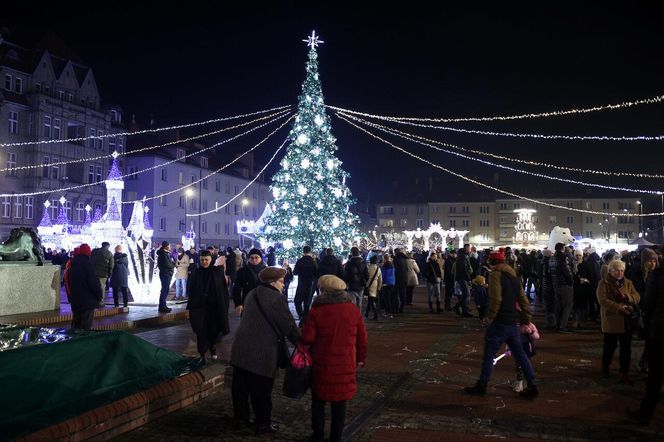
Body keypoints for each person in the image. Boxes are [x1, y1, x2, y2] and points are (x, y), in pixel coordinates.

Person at [230, 267, 300, 435]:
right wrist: (302, 343)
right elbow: (288, 326)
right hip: (262, 351)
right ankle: (263, 424)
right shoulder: (276, 298)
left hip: (241, 348)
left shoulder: (252, 293)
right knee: (261, 391)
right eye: (282, 282)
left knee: (240, 388)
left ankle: (241, 419)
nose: (284, 285)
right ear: (272, 282)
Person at [300, 275, 368, 442]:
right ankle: (335, 437)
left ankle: (318, 435)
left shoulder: (316, 311)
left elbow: (307, 338)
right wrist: (361, 358)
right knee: (340, 403)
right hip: (346, 361)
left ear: (323, 290)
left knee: (318, 400)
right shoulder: (352, 310)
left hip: (322, 361)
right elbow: (362, 338)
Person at [464, 250, 538, 399]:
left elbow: (496, 299)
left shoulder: (495, 275)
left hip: (500, 323)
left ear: (491, 263)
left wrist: (489, 317)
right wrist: (525, 319)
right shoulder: (514, 277)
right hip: (513, 323)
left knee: (489, 355)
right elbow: (524, 301)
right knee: (521, 355)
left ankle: (482, 385)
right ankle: (532, 386)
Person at [627, 254, 664, 425]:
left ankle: (646, 412)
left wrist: (646, 325)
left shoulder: (657, 276)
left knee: (655, 374)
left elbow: (648, 304)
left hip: (659, 331)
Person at [596, 258, 640, 384]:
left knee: (626, 348)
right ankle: (605, 366)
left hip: (626, 320)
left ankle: (624, 372)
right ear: (610, 271)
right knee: (610, 346)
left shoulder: (628, 282)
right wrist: (619, 307)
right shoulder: (603, 283)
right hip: (612, 319)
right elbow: (602, 300)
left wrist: (628, 297)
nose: (620, 273)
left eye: (622, 270)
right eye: (616, 271)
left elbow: (637, 296)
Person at [187, 250, 230, 364]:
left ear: (211, 260)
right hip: (200, 308)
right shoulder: (197, 273)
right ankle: (202, 354)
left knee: (213, 330)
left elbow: (223, 290)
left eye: (206, 259)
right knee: (201, 332)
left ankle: (213, 350)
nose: (204, 262)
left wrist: (224, 306)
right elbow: (191, 290)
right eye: (202, 260)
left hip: (214, 308)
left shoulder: (217, 272)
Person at [68, 244, 103, 330]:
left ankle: (73, 341)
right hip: (87, 302)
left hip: (75, 300)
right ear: (88, 253)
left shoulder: (72, 265)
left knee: (76, 325)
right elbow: (94, 284)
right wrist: (99, 296)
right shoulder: (88, 266)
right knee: (85, 327)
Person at [232, 248, 267, 316]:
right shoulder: (242, 271)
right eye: (252, 258)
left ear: (261, 258)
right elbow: (236, 288)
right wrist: (238, 304)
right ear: (249, 258)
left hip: (263, 303)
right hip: (247, 303)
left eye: (256, 257)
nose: (254, 260)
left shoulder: (267, 271)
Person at [549, 242, 574, 333]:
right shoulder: (563, 258)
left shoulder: (551, 258)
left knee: (558, 305)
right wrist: (571, 282)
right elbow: (567, 272)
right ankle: (562, 326)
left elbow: (550, 271)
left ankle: (557, 324)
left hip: (555, 284)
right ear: (562, 248)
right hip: (564, 284)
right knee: (567, 305)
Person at [293, 245, 318, 321]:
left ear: (303, 251)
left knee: (297, 301)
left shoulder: (300, 261)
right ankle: (306, 319)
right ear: (310, 252)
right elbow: (317, 273)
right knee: (307, 303)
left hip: (301, 284)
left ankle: (301, 316)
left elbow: (295, 272)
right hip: (310, 284)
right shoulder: (313, 262)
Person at [90, 241, 114, 306]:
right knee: (102, 287)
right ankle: (101, 302)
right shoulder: (109, 253)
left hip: (93, 273)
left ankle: (93, 301)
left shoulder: (94, 251)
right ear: (107, 246)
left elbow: (90, 260)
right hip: (103, 274)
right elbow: (111, 265)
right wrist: (110, 274)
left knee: (94, 287)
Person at [454, 244, 474, 317]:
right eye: (468, 248)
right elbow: (464, 269)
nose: (469, 250)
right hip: (462, 278)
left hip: (461, 277)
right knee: (466, 294)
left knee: (465, 294)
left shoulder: (462, 257)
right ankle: (458, 307)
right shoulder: (463, 257)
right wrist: (468, 279)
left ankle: (463, 310)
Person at [156, 241, 174, 313]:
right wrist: (173, 265)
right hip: (165, 274)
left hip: (166, 273)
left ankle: (163, 305)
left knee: (165, 290)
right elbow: (167, 264)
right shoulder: (163, 254)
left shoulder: (165, 254)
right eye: (169, 245)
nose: (170, 247)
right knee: (164, 290)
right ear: (166, 246)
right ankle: (162, 306)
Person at [365, 255, 383, 320]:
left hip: (368, 285)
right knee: (371, 299)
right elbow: (380, 280)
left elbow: (365, 276)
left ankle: (375, 314)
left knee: (371, 300)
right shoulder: (378, 269)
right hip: (375, 285)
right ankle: (367, 313)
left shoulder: (368, 267)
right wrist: (379, 288)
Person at [392, 248, 409, 313]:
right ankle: (402, 308)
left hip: (397, 278)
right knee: (403, 293)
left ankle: (396, 308)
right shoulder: (404, 259)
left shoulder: (396, 259)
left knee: (396, 294)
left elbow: (395, 270)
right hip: (404, 278)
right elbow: (406, 269)